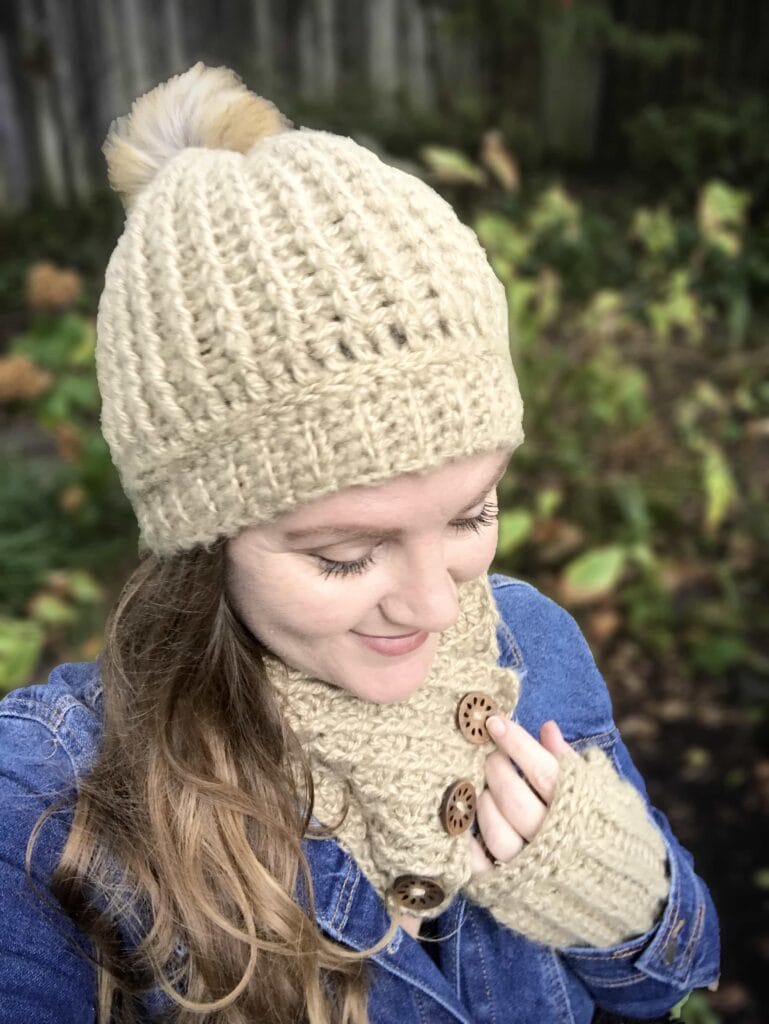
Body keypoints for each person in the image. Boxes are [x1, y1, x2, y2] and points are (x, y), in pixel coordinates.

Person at [0, 62, 719, 1024]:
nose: (435, 604)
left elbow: (678, 974)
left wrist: (630, 905)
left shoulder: (530, 646)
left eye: (471, 514)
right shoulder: (53, 809)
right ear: (201, 541)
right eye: (346, 555)